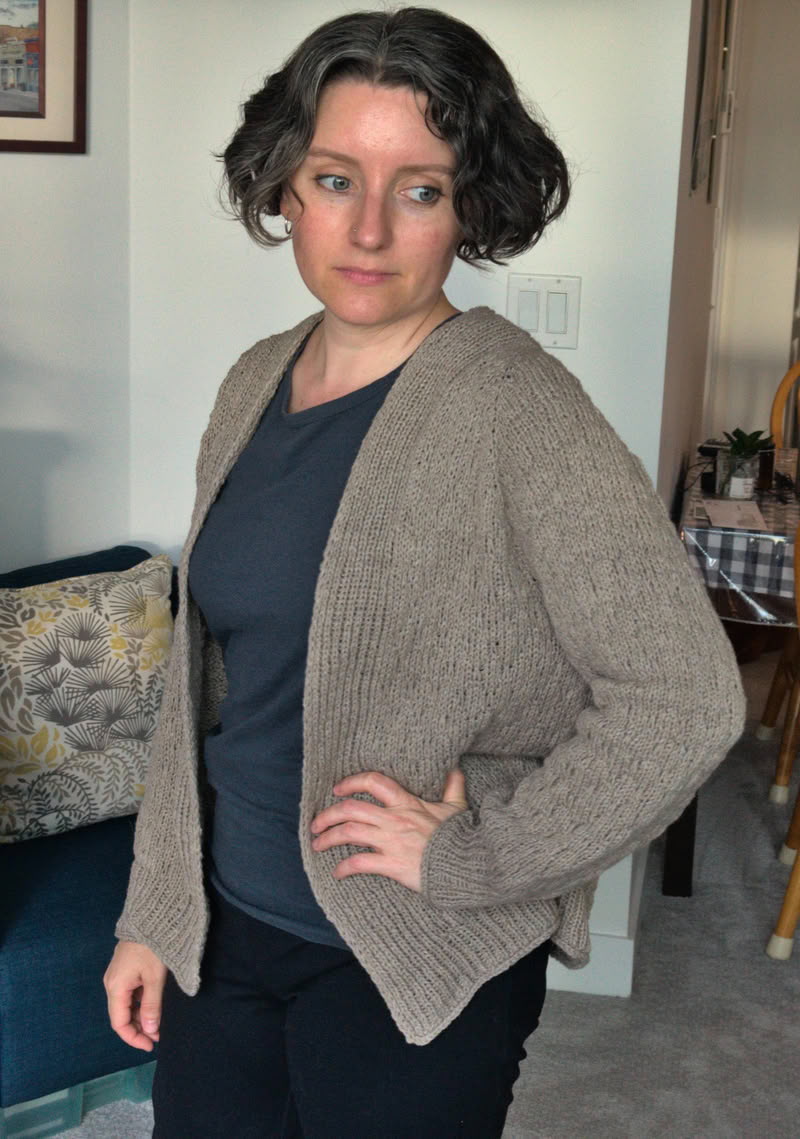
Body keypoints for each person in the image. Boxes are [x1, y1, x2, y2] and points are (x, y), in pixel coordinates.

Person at [103, 7, 745, 1137]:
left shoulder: (517, 407)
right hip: (225, 925)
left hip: (410, 949)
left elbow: (684, 696)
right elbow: (204, 690)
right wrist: (154, 908)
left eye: (419, 189)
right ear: (283, 188)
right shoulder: (255, 380)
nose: (368, 229)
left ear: (468, 208)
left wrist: (480, 856)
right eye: (334, 178)